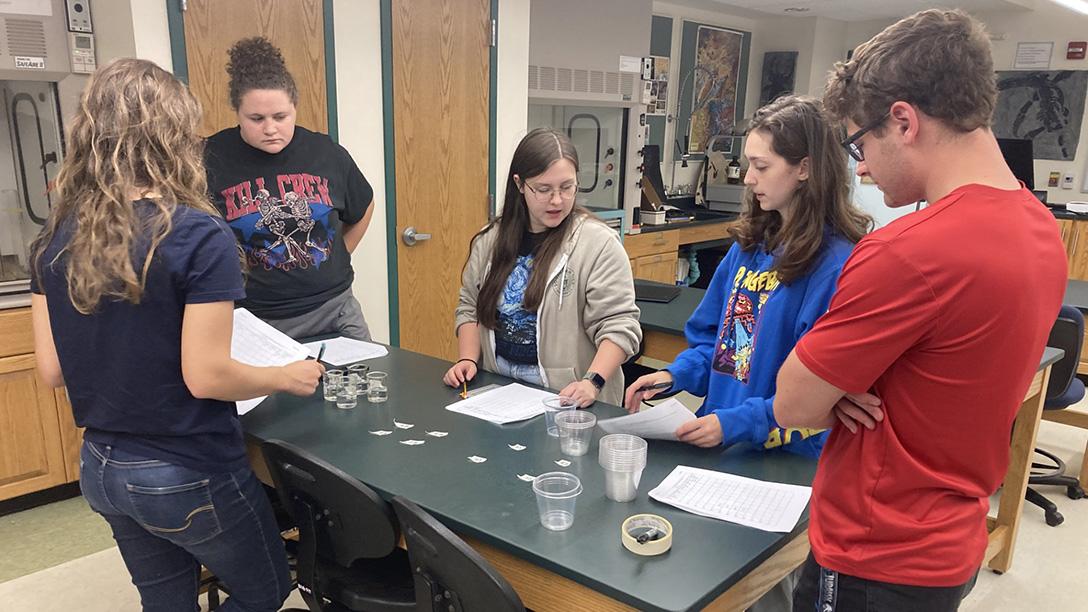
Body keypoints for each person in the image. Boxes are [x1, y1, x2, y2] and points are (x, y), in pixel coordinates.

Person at [772, 10, 1067, 611]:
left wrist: (838, 386)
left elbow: (794, 404)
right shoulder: (1042, 231)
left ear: (903, 121)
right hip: (950, 545)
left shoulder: (908, 252)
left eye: (860, 143)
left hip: (873, 555)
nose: (858, 166)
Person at [29, 58, 323, 611]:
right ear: (174, 137)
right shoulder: (195, 233)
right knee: (267, 588)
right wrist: (283, 375)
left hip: (100, 466)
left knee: (165, 602)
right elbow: (207, 375)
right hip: (184, 467)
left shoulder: (55, 236)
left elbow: (51, 370)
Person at [624, 95, 871, 457]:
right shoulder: (749, 249)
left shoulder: (835, 266)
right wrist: (676, 375)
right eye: (748, 165)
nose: (749, 178)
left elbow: (817, 392)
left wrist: (737, 423)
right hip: (723, 440)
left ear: (804, 168)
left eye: (761, 166)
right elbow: (724, 348)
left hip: (782, 456)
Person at [443, 128, 642, 407]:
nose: (557, 200)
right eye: (544, 189)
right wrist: (467, 359)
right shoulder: (490, 240)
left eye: (567, 187)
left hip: (566, 395)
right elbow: (469, 306)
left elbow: (620, 326)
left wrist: (592, 382)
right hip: (498, 387)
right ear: (520, 184)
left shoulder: (598, 244)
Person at [205, 36, 375, 341]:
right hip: (256, 320)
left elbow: (364, 205)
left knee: (365, 387)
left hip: (335, 309)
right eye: (256, 118)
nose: (270, 128)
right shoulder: (210, 158)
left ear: (294, 107)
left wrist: (340, 252)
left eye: (280, 117)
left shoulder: (325, 153)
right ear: (237, 112)